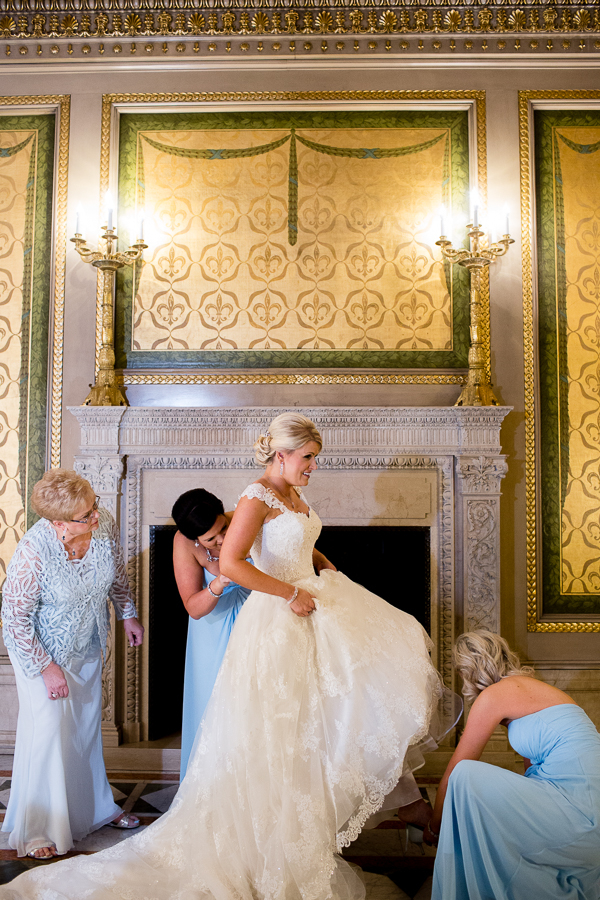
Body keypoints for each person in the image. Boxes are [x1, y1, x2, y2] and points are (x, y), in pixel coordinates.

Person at [0, 414, 458, 900]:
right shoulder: (254, 496)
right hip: (278, 617)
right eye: (308, 458)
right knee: (278, 731)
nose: (314, 466)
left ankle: (332, 822)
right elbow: (237, 563)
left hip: (309, 606)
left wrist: (319, 562)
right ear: (281, 455)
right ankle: (273, 836)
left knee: (329, 718)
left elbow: (292, 544)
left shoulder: (293, 493)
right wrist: (288, 593)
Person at [1, 469, 144, 860]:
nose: (96, 517)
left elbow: (115, 575)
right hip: (39, 649)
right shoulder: (33, 553)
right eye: (86, 515)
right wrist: (46, 668)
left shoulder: (101, 525)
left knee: (83, 728)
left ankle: (95, 809)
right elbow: (14, 620)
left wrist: (127, 613)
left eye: (94, 506)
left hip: (86, 643)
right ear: (58, 523)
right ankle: (37, 828)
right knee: (47, 729)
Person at [428, 630, 600, 900]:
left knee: (465, 776)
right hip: (584, 804)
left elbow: (453, 773)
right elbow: (532, 774)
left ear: (469, 669)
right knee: (488, 814)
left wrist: (435, 828)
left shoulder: (496, 695)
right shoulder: (535, 689)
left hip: (581, 810)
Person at [172, 488, 252, 779]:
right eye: (211, 539)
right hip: (212, 631)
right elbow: (193, 607)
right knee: (216, 714)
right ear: (197, 540)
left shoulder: (245, 520)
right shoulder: (183, 542)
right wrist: (219, 582)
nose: (221, 540)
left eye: (224, 528)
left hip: (255, 624)